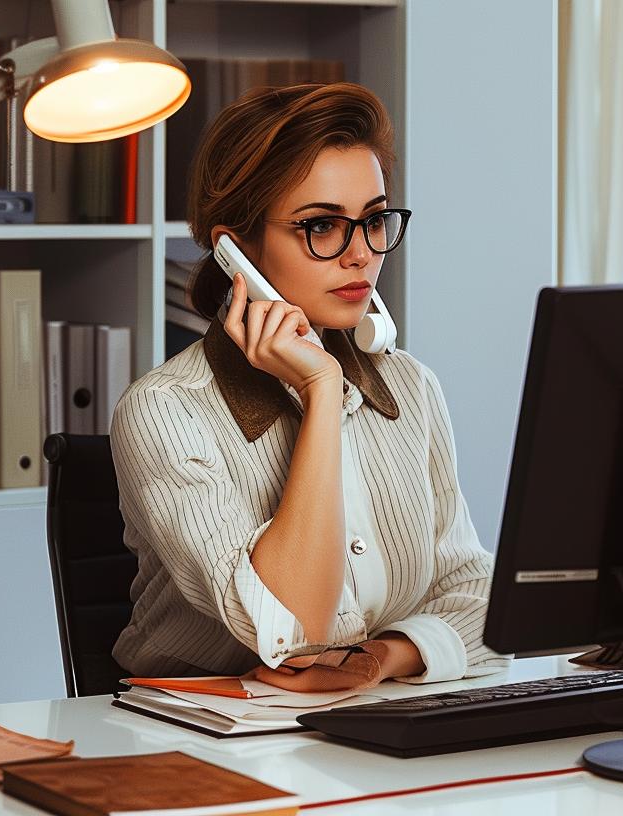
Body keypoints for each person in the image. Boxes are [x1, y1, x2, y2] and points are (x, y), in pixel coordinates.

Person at [110, 82, 506, 692]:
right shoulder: (165, 410)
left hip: (367, 713)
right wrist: (322, 392)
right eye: (321, 226)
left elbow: (479, 599)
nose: (360, 256)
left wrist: (383, 657)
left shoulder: (410, 388)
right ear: (236, 250)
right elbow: (292, 630)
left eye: (374, 220)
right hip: (197, 734)